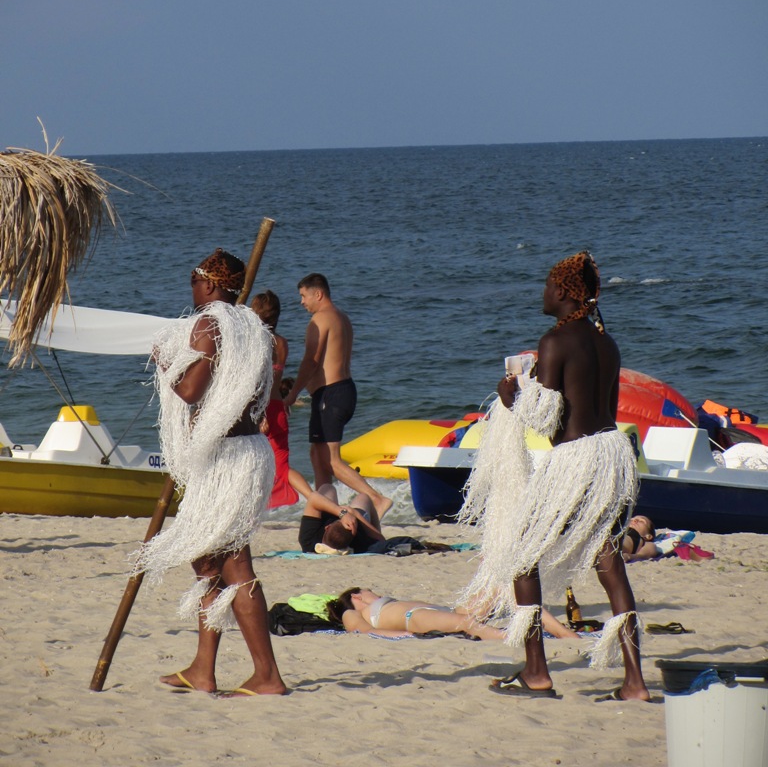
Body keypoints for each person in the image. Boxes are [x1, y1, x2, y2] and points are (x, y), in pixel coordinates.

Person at [460, 251, 650, 701]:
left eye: (548, 284)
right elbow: (603, 404)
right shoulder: (607, 343)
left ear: (564, 292)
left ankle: (537, 674)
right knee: (607, 557)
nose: (543, 292)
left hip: (576, 457)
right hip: (611, 452)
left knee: (522, 557)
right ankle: (635, 683)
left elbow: (543, 421)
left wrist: (510, 394)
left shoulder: (554, 341)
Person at [134, 248, 286, 697]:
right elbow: (261, 391)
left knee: (235, 563)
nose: (193, 292)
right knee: (208, 562)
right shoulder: (256, 330)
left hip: (226, 459)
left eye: (196, 283)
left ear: (213, 286)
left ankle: (267, 676)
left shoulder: (211, 323)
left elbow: (190, 391)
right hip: (246, 452)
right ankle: (204, 668)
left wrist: (165, 361)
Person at [283, 272, 391, 519]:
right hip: (340, 391)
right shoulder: (341, 317)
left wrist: (291, 394)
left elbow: (311, 362)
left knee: (331, 460)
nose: (301, 302)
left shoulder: (320, 320)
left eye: (303, 296)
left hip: (332, 395)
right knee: (317, 455)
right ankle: (326, 508)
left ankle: (377, 499)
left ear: (317, 294)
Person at [250, 290, 313, 507]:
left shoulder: (255, 343)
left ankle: (253, 506)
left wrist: (258, 415)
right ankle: (312, 497)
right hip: (277, 409)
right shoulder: (282, 343)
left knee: (252, 464)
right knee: (283, 467)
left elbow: (258, 383)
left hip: (261, 410)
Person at [325, 588, 569, 641]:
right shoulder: (353, 611)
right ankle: (514, 638)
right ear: (357, 595)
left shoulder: (376, 605)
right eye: (369, 590)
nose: (373, 591)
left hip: (442, 613)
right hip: (416, 618)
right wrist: (404, 634)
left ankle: (558, 630)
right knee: (466, 623)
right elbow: (364, 631)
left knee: (508, 588)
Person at [298, 484, 385, 554]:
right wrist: (355, 514)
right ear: (353, 533)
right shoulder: (358, 543)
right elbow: (381, 540)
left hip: (329, 516)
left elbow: (313, 497)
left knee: (328, 487)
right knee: (364, 497)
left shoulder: (308, 541)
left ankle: (333, 507)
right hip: (356, 518)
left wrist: (342, 513)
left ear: (327, 527)